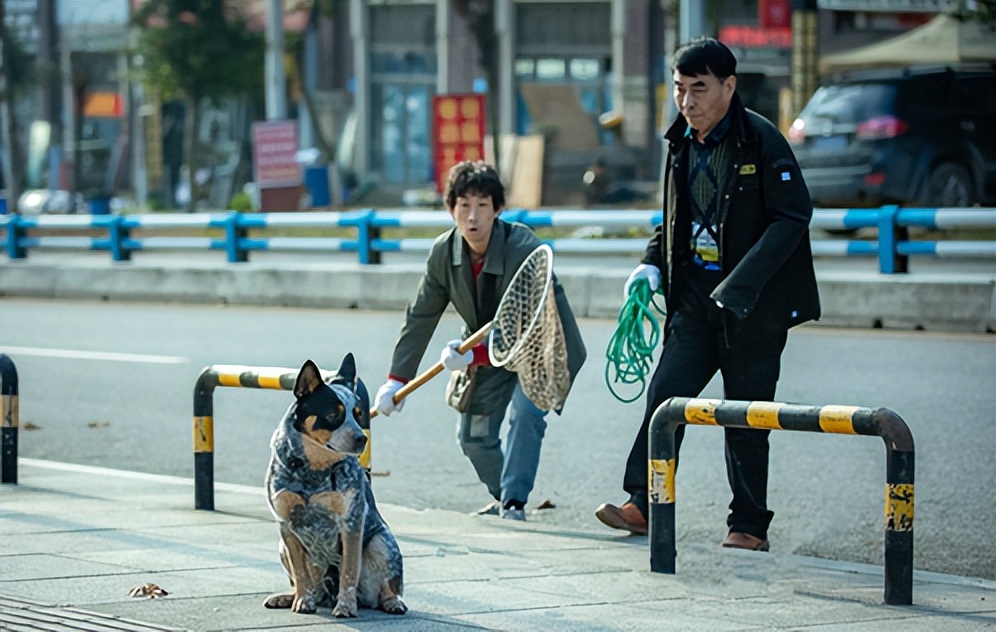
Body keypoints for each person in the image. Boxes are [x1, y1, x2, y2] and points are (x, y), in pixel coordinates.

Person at [594, 37, 820, 550]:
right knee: (664, 401)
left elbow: (792, 217)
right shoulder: (679, 143)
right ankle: (645, 503)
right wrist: (651, 264)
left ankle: (748, 527)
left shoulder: (762, 141)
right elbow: (674, 220)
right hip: (694, 303)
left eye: (699, 89)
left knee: (745, 418)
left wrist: (739, 286)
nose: (687, 101)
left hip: (751, 309)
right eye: (679, 89)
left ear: (729, 86)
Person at [374, 160, 587, 521]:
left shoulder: (523, 248)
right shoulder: (443, 253)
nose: (473, 217)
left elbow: (529, 325)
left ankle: (515, 504)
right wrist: (397, 379)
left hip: (540, 346)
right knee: (473, 436)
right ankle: (504, 496)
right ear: (451, 210)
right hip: (484, 352)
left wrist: (475, 355)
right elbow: (421, 315)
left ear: (498, 210)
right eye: (464, 206)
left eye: (483, 206)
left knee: (526, 415)